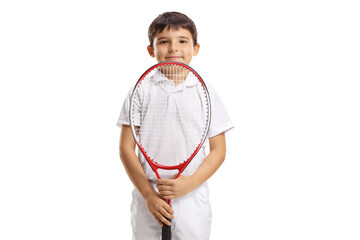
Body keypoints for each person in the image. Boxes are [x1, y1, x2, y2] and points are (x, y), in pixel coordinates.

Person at [117, 12, 234, 240]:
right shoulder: (140, 90)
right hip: (148, 197)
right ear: (151, 50)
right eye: (164, 42)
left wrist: (189, 183)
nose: (174, 48)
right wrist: (149, 196)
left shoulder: (206, 91)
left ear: (195, 48)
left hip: (192, 198)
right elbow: (125, 148)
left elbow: (219, 150)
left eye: (182, 41)